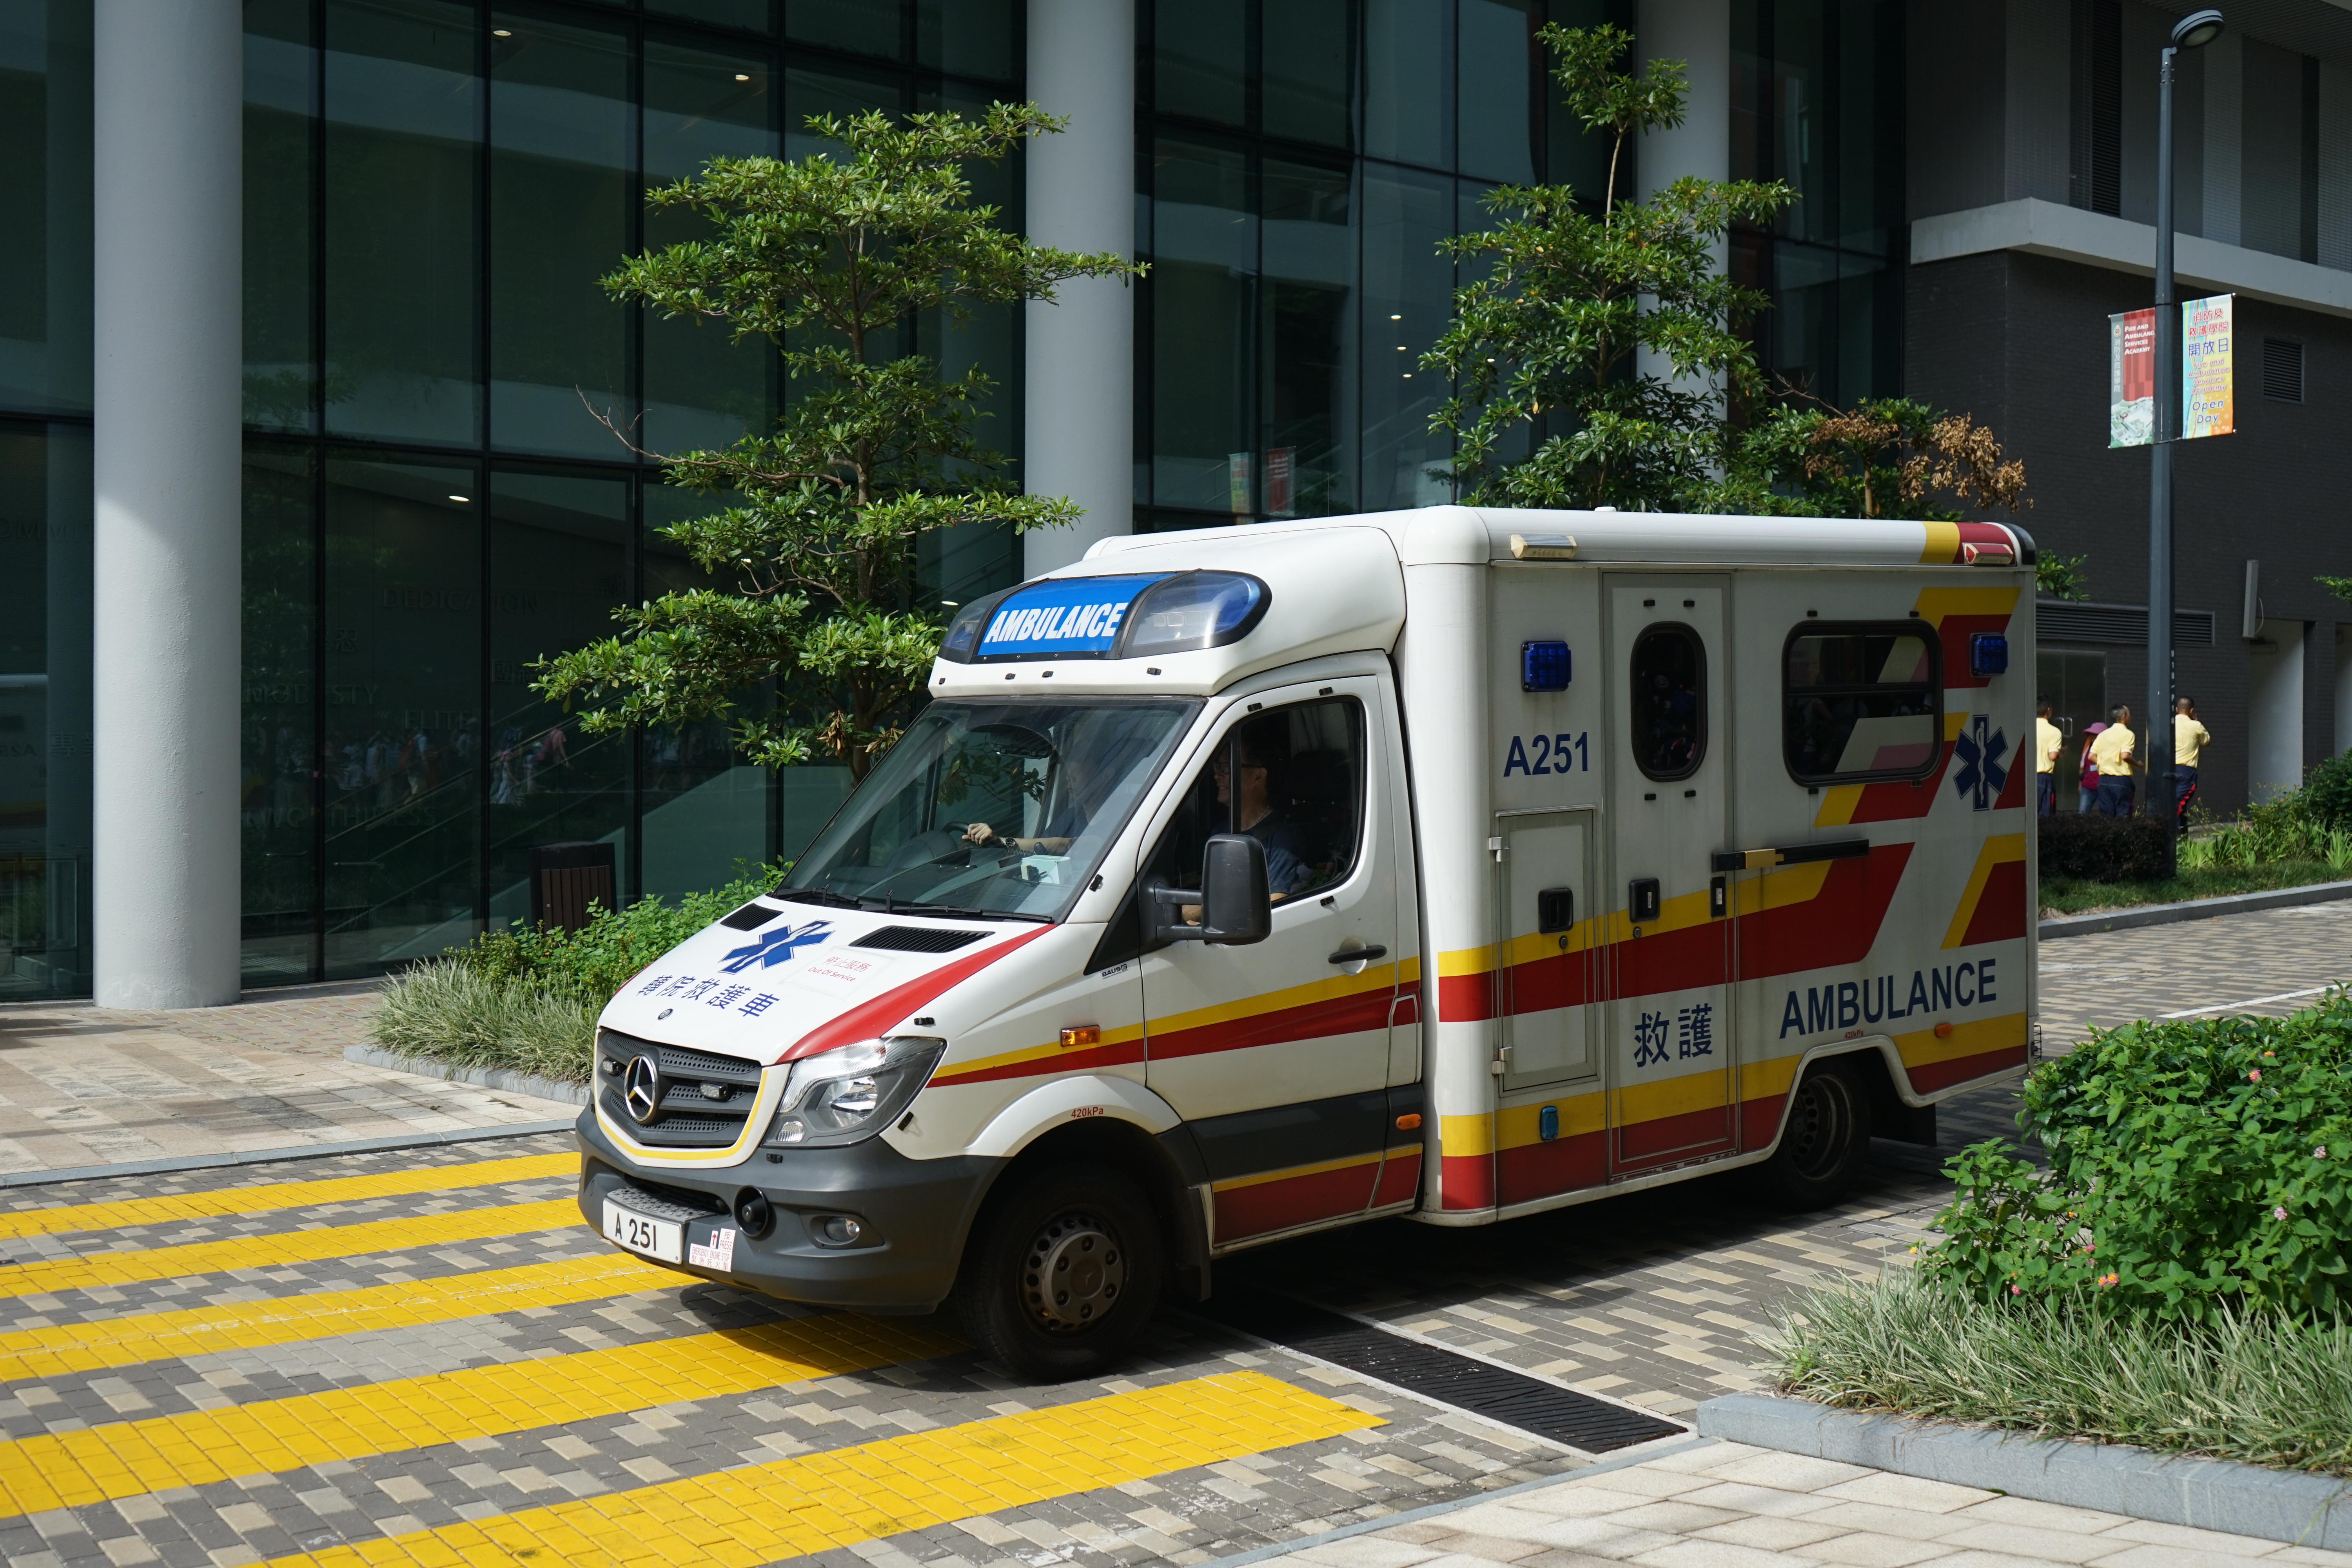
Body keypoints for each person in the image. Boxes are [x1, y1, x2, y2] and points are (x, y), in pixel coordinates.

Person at [2089, 704, 2137, 817]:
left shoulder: (2103, 734)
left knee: (2107, 818)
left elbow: (2091, 756)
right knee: (2123, 816)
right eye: (2129, 714)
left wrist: (2103, 764)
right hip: (2121, 780)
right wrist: (2137, 765)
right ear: (2125, 716)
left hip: (2103, 780)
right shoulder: (2128, 734)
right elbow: (2125, 756)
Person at [2173, 695, 2209, 836]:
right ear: (2192, 710)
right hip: (2186, 771)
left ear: (2176, 709)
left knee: (2178, 805)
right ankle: (2175, 839)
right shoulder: (2196, 726)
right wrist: (2196, 722)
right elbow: (2207, 743)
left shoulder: (2169, 723)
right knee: (2178, 805)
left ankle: (2183, 838)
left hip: (2168, 770)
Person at [2034, 697, 2063, 818]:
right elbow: (2053, 756)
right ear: (2048, 710)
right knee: (2045, 817)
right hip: (2043, 778)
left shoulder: (2025, 727)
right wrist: (2060, 754)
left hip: (2025, 777)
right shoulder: (2054, 731)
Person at [2076, 721, 2106, 812]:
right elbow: (2082, 768)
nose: (2092, 736)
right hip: (2087, 786)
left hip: (2103, 786)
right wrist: (2080, 785)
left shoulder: (2108, 749)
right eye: (2091, 734)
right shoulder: (2087, 748)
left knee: (2106, 813)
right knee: (2083, 813)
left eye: (2095, 734)